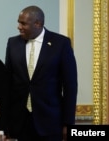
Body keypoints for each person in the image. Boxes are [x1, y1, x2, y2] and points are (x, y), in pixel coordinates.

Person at [5, 6, 78, 141]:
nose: (18, 26)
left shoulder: (61, 43)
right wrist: (6, 123)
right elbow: (8, 83)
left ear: (38, 23)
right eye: (19, 22)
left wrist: (68, 123)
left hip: (50, 122)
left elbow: (70, 86)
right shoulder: (13, 43)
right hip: (21, 122)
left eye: (23, 23)